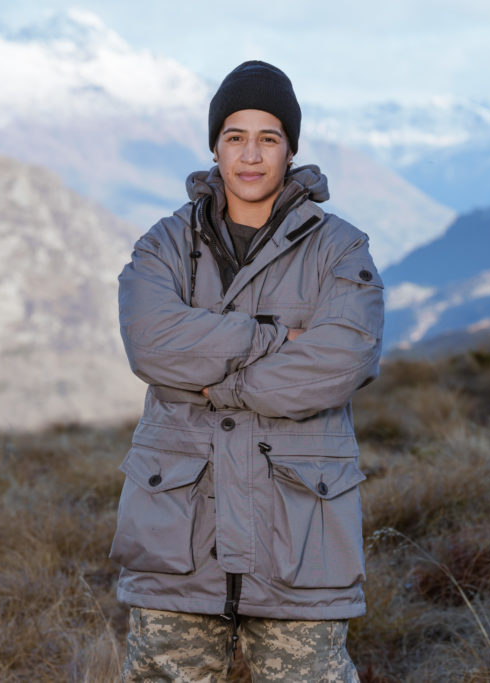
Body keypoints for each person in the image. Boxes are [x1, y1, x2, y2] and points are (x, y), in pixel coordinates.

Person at [111, 60, 384, 682]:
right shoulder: (163, 245)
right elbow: (151, 344)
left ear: (291, 148)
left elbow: (343, 359)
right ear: (214, 146)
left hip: (299, 536)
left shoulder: (340, 248)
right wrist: (271, 338)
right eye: (236, 136)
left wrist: (221, 382)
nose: (251, 155)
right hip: (177, 533)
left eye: (269, 137)